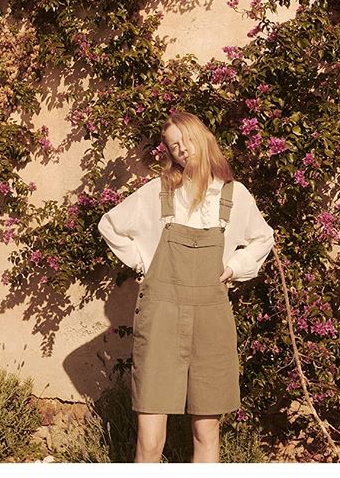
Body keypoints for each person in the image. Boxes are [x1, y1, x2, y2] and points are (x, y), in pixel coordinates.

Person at [97, 111, 275, 462]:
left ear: (203, 138)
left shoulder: (234, 195)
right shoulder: (158, 192)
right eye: (173, 145)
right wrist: (143, 262)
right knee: (150, 437)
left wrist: (234, 267)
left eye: (187, 139)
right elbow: (109, 225)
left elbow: (262, 237)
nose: (181, 149)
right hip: (161, 317)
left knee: (206, 431)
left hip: (211, 319)